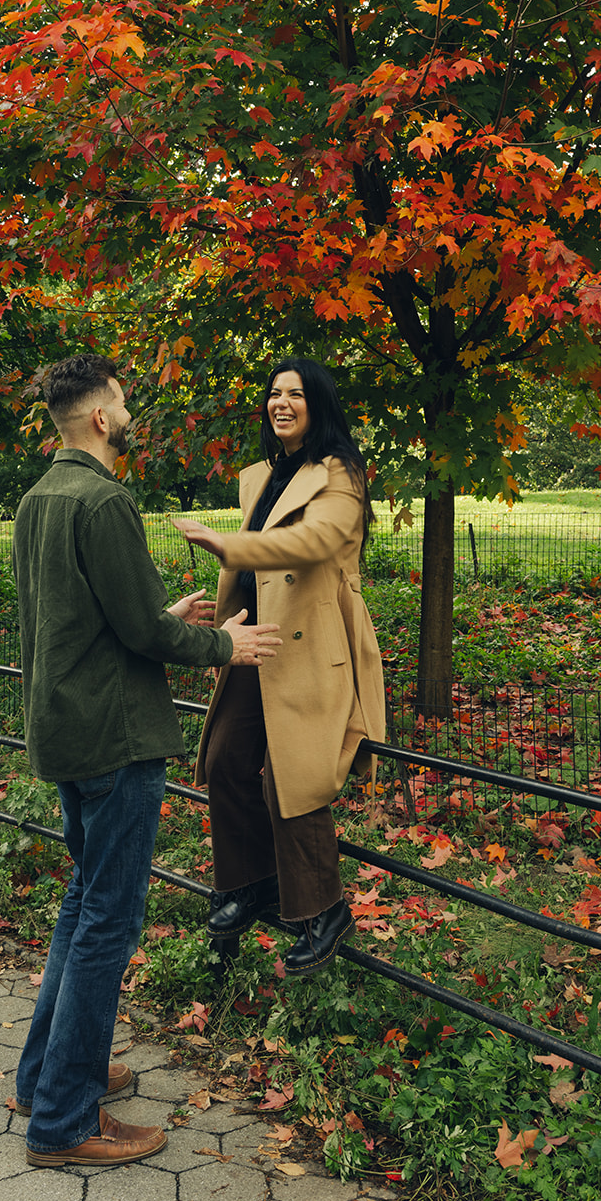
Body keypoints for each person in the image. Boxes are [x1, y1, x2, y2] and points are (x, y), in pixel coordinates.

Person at [12, 354, 280, 1169]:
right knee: (107, 922)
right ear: (100, 418)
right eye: (122, 402)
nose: (129, 413)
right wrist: (222, 643)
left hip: (64, 728)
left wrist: (161, 615)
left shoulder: (39, 499)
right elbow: (145, 637)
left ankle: (49, 1076)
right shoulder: (103, 499)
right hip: (116, 739)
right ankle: (62, 1122)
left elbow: (85, 618)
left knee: (79, 906)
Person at [174, 358, 385, 977]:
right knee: (223, 760)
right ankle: (252, 883)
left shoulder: (340, 474)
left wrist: (227, 545)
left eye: (296, 393)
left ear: (318, 404)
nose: (281, 402)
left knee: (294, 777)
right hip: (257, 639)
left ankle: (325, 909)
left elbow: (315, 542)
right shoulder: (259, 477)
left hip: (313, 644)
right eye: (274, 393)